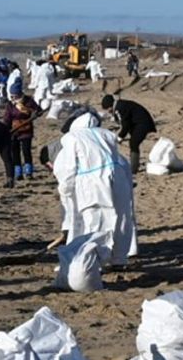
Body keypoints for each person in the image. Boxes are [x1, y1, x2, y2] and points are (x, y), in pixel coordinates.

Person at [52, 112, 138, 266]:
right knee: (121, 217)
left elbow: (69, 168)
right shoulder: (107, 134)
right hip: (117, 178)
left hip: (92, 180)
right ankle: (119, 258)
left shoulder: (72, 137)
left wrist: (65, 190)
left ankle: (94, 261)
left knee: (94, 220)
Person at [101, 94, 157, 174]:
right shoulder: (119, 106)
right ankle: (134, 165)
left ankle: (133, 169)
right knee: (133, 143)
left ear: (110, 106)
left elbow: (125, 125)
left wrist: (120, 137)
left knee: (133, 143)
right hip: (136, 123)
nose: (108, 111)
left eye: (107, 109)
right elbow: (123, 120)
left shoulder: (120, 107)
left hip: (143, 123)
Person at [5, 82, 41, 181]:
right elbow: (7, 118)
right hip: (14, 131)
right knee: (15, 152)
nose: (13, 97)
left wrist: (35, 114)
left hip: (26, 129)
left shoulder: (29, 101)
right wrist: (7, 129)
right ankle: (18, 172)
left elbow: (38, 110)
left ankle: (28, 172)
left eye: (15, 95)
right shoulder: (10, 104)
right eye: (12, 95)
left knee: (26, 151)